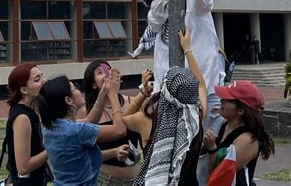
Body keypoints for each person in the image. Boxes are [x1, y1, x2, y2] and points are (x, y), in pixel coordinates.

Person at [133, 0, 222, 139]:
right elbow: (156, 19)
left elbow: (206, 3)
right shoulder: (156, 13)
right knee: (180, 145)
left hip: (205, 85)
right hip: (172, 95)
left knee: (207, 141)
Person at [38, 70, 129, 185]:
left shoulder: (50, 127)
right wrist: (113, 94)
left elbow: (88, 122)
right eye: (74, 88)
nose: (78, 89)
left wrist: (103, 92)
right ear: (68, 100)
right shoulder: (76, 131)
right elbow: (119, 130)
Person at [133, 53, 204, 186]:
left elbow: (123, 118)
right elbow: (201, 86)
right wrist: (188, 50)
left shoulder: (146, 120)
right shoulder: (197, 117)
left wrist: (143, 91)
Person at [79, 60, 153, 184]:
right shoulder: (87, 113)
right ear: (93, 84)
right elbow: (85, 151)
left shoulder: (131, 101)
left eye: (109, 69)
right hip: (105, 179)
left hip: (134, 179)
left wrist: (144, 91)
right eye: (100, 72)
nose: (107, 73)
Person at [204, 80, 275, 186]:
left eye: (228, 100)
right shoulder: (226, 124)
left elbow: (219, 173)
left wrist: (211, 148)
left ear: (241, 110)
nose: (222, 101)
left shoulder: (247, 140)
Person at [4, 62, 49, 185]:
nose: (44, 81)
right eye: (37, 79)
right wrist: (53, 149)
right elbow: (23, 167)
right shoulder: (22, 117)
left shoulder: (31, 111)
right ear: (24, 90)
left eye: (42, 76)